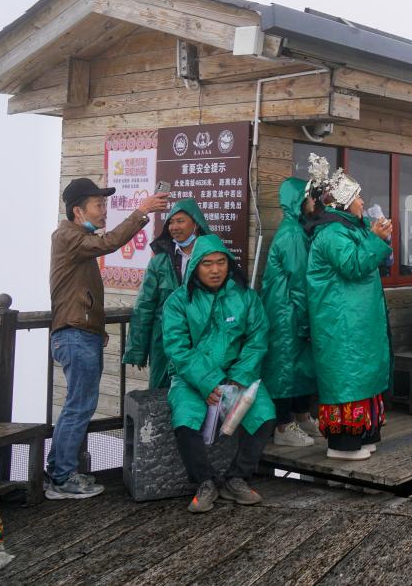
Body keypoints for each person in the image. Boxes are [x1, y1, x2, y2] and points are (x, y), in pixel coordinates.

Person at [47, 177, 168, 500]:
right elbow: (110, 243)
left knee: (77, 405)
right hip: (75, 335)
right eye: (99, 205)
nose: (104, 211)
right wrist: (142, 212)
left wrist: (97, 330)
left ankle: (58, 471)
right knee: (79, 406)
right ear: (78, 211)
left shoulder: (76, 237)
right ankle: (62, 478)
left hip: (80, 333)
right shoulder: (68, 236)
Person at [162, 235, 275, 513]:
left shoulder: (246, 297)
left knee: (264, 415)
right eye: (207, 264)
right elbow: (178, 348)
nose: (215, 270)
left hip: (237, 376)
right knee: (185, 420)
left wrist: (238, 376)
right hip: (192, 379)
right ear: (195, 267)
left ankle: (237, 478)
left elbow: (257, 338)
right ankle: (206, 481)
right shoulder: (178, 301)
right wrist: (208, 381)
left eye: (221, 262)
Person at [305, 155, 394, 460]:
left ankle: (364, 436)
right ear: (343, 202)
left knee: (363, 376)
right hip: (340, 323)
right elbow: (353, 266)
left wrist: (377, 236)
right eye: (357, 197)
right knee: (347, 379)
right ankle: (342, 445)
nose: (362, 202)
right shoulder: (331, 233)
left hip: (356, 321)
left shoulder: (349, 228)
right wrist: (376, 239)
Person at [123, 198, 212, 390]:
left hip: (201, 342)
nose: (174, 227)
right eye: (171, 222)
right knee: (160, 394)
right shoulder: (159, 262)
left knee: (197, 393)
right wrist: (137, 350)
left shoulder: (212, 259)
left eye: (180, 221)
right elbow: (145, 305)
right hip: (163, 344)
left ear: (196, 224)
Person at [259, 178, 320, 448]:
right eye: (310, 197)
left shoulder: (295, 229)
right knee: (284, 368)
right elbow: (300, 283)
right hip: (287, 312)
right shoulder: (293, 234)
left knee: (299, 366)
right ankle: (283, 425)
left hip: (287, 309)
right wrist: (306, 322)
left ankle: (302, 416)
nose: (314, 202)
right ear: (299, 200)